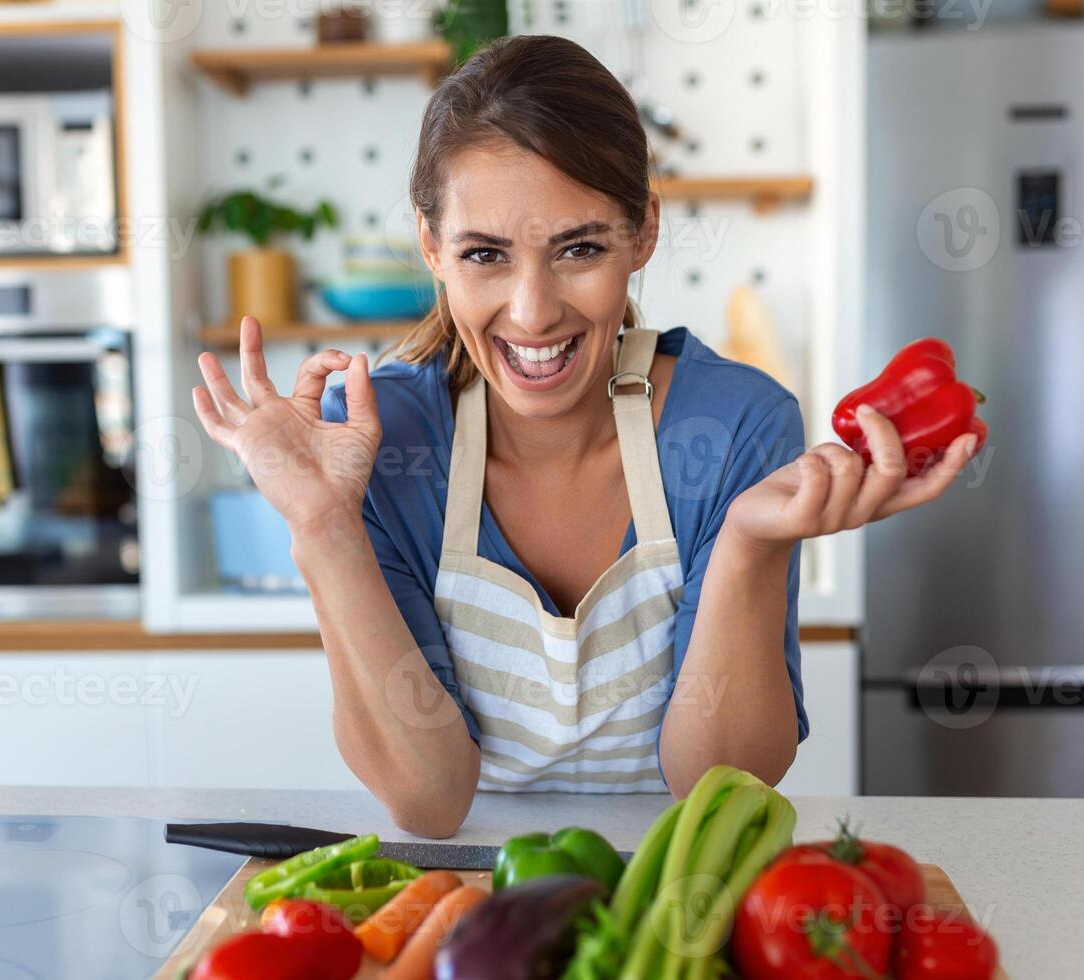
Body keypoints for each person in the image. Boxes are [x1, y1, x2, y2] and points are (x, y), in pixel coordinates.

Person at [191, 35, 978, 837]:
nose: (533, 312)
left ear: (643, 232)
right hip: (467, 903)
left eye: (580, 248)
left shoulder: (736, 423)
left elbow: (720, 780)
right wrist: (324, 526)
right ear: (431, 247)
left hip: (674, 896)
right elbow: (430, 799)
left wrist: (748, 545)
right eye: (484, 255)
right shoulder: (385, 441)